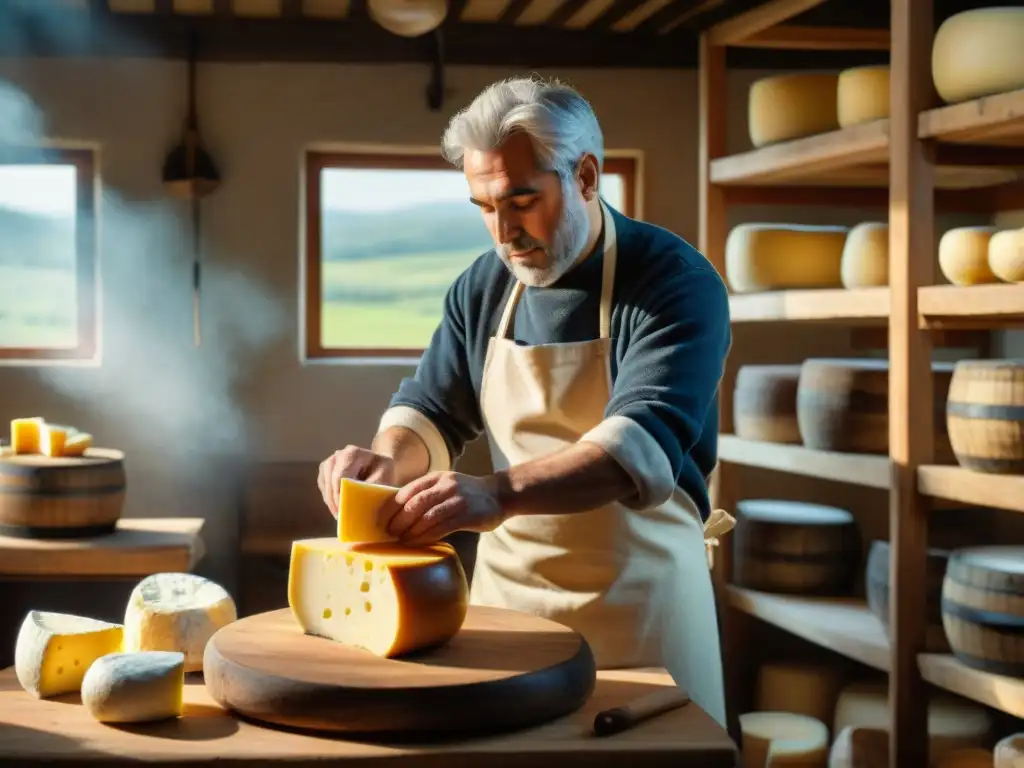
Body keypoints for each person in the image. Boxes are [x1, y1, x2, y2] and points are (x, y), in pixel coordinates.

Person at [317, 75, 733, 727]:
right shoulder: (482, 288)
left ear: (587, 176)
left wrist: (496, 494)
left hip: (644, 617)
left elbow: (636, 445)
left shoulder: (675, 284)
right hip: (510, 614)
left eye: (521, 200)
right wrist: (383, 464)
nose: (504, 231)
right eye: (483, 206)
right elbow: (432, 407)